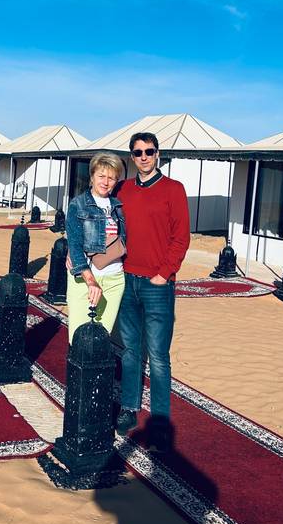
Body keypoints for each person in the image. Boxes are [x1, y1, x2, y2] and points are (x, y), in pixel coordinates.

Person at [115, 132, 190, 451]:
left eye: (149, 151)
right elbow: (108, 227)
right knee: (131, 351)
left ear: (158, 154)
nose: (143, 157)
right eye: (137, 152)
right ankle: (129, 408)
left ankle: (159, 422)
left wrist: (164, 274)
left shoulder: (174, 190)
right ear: (131, 156)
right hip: (126, 280)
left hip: (157, 285)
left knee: (158, 356)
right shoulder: (123, 190)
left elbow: (181, 237)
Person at [66, 153, 126, 344]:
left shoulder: (118, 206)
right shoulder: (78, 204)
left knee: (102, 339)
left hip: (115, 279)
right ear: (92, 176)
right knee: (79, 338)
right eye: (101, 176)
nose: (106, 182)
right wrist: (90, 281)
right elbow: (74, 244)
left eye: (111, 177)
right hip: (86, 280)